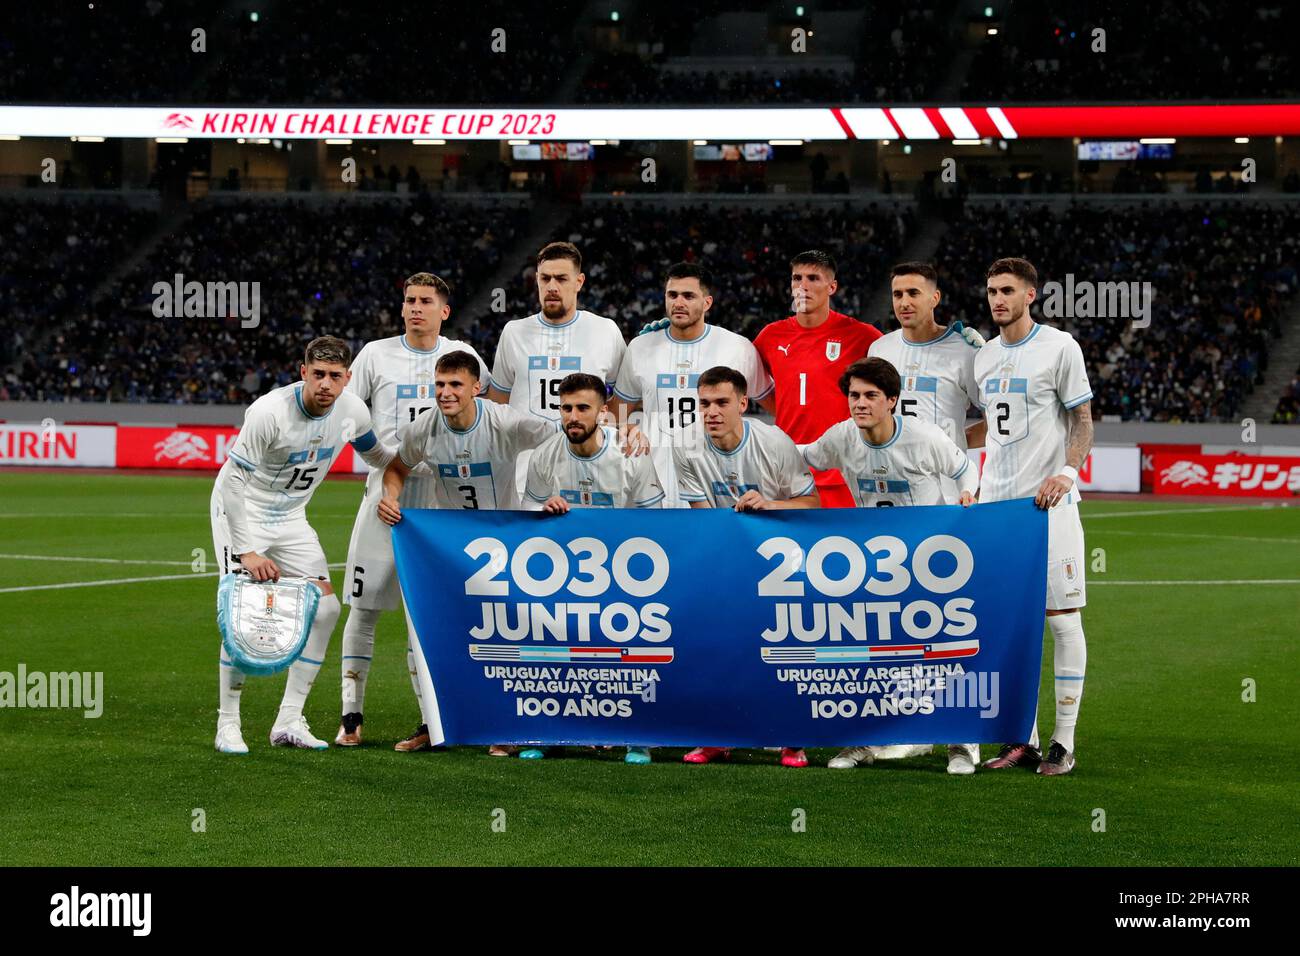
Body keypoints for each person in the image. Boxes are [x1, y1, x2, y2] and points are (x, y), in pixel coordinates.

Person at [798, 357, 981, 774]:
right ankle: (865, 740)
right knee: (871, 653)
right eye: (854, 395)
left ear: (893, 400)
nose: (859, 404)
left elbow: (964, 467)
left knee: (945, 652)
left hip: (931, 562)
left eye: (870, 396)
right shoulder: (843, 437)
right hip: (876, 564)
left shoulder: (923, 437)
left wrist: (968, 495)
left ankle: (961, 743)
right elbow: (803, 456)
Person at [212, 336, 394, 754]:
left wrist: (421, 461)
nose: (325, 384)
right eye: (318, 375)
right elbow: (233, 485)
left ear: (348, 378)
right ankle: (228, 724)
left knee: (327, 607)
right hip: (242, 513)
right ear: (303, 373)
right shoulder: (268, 413)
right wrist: (247, 551)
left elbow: (378, 457)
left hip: (291, 519)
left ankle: (289, 719)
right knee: (242, 612)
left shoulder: (352, 411)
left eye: (334, 376)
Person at [377, 349, 558, 757]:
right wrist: (390, 496)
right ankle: (433, 723)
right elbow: (396, 468)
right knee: (431, 633)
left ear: (477, 387)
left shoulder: (505, 421)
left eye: (455, 384)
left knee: (507, 637)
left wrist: (550, 489)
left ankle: (511, 726)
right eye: (439, 384)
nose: (445, 392)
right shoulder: (424, 427)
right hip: (449, 546)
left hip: (505, 545)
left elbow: (561, 436)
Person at [336, 272, 489, 753]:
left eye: (425, 301)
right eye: (409, 300)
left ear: (445, 310)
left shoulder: (463, 355)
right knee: (363, 608)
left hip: (439, 507)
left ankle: (430, 723)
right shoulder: (376, 354)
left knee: (423, 617)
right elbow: (344, 407)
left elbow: (487, 418)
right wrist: (373, 455)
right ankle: (350, 717)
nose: (414, 308)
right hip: (384, 496)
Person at [975, 257, 1094, 776]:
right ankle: (1021, 737)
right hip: (996, 512)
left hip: (1049, 509)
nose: (996, 299)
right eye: (990, 291)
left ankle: (1063, 742)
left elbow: (1083, 419)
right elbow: (992, 431)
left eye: (1006, 290)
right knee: (1006, 626)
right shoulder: (983, 357)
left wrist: (1067, 472)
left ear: (1031, 295)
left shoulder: (1060, 346)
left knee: (1062, 620)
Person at [866, 260, 987, 766]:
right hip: (891, 512)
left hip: (946, 511)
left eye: (914, 292)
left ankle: (964, 738)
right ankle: (905, 729)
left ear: (935, 298)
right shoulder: (880, 349)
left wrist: (955, 450)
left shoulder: (966, 350)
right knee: (897, 623)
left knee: (953, 624)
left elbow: (994, 416)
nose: (904, 302)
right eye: (897, 293)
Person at [671, 366, 820, 768]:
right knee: (719, 651)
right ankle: (717, 738)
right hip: (725, 564)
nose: (711, 412)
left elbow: (810, 504)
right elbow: (704, 518)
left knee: (784, 655)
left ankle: (792, 739)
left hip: (780, 566)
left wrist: (769, 505)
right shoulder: (685, 447)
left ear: (742, 402)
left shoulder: (774, 442)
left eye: (721, 402)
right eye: (704, 404)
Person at [522, 372, 665, 764]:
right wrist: (543, 511)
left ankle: (637, 738)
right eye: (566, 408)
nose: (572, 416)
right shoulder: (545, 456)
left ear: (604, 412)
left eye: (582, 408)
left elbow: (653, 524)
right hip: (564, 576)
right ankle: (552, 733)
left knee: (631, 656)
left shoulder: (630, 456)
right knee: (556, 653)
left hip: (623, 576)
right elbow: (527, 515)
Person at [609, 262, 772, 508]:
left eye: (688, 295)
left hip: (716, 483)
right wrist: (628, 429)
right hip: (656, 483)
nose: (679, 302)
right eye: (672, 295)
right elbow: (617, 414)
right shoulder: (640, 348)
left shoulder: (738, 348)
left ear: (707, 303)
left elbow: (776, 405)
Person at [487, 242, 627, 493]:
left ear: (579, 282)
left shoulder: (606, 330)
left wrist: (610, 440)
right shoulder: (514, 333)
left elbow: (622, 399)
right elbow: (497, 407)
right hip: (525, 470)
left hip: (589, 470)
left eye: (561, 278)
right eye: (545, 278)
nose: (552, 286)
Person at [752, 250, 883, 508]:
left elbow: (902, 353)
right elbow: (753, 387)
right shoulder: (771, 336)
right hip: (788, 468)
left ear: (832, 286)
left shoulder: (861, 335)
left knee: (844, 544)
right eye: (796, 278)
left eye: (813, 278)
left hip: (842, 468)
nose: (803, 286)